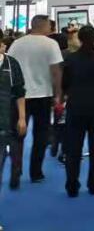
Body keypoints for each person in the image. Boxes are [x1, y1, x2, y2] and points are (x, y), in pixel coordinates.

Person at [7, 14, 63, 187]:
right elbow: (56, 71)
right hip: (43, 96)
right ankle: (36, 172)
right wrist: (58, 94)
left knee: (17, 135)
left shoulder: (17, 43)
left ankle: (16, 171)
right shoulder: (51, 44)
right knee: (41, 135)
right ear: (44, 26)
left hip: (19, 96)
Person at [61, 25, 94, 196]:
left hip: (76, 106)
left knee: (73, 148)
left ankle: (72, 185)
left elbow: (65, 84)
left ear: (80, 38)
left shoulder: (71, 59)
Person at [0, 31, 27, 192]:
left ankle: (16, 173)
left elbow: (19, 92)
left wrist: (22, 118)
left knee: (15, 149)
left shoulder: (11, 64)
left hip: (10, 114)